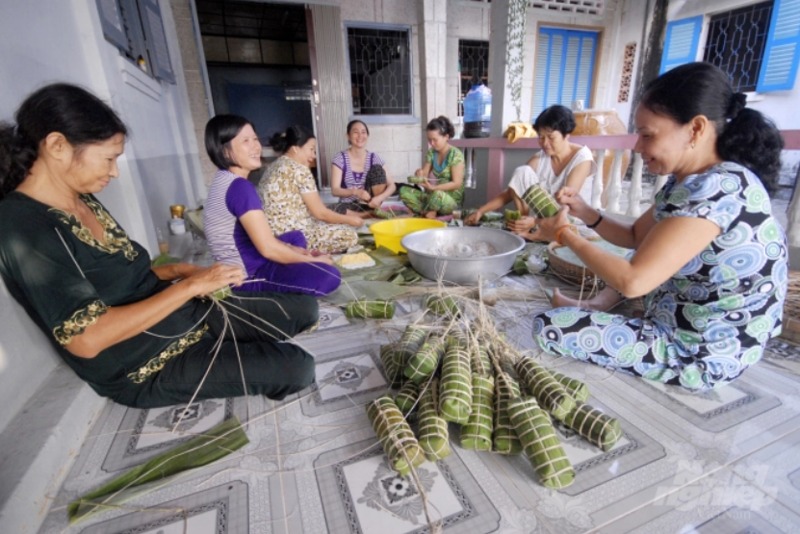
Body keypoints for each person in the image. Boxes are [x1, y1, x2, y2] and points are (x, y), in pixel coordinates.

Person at [0, 83, 317, 408]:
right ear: (57, 145)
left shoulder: (81, 199)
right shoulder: (24, 224)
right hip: (142, 360)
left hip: (178, 313)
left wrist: (184, 270)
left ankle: (231, 343)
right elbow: (86, 339)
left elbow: (123, 276)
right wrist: (190, 286)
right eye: (109, 158)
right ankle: (230, 354)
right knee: (297, 367)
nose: (114, 172)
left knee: (305, 309)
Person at [529, 62, 787, 391]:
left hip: (700, 351)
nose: (637, 147)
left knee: (549, 326)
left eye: (647, 134)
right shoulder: (689, 182)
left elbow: (634, 281)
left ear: (695, 129)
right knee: (636, 264)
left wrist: (563, 234)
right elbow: (635, 235)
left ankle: (644, 338)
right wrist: (585, 211)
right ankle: (607, 309)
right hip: (684, 319)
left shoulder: (716, 191)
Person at [203, 114, 341, 296]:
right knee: (329, 275)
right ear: (225, 151)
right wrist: (314, 262)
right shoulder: (240, 187)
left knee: (296, 238)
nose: (256, 146)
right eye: (246, 141)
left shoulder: (223, 180)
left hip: (249, 257)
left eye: (255, 139)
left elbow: (262, 239)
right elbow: (268, 249)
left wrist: (297, 252)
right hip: (246, 279)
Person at [465, 105, 596, 237]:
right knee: (522, 172)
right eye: (541, 137)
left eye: (551, 137)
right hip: (543, 221)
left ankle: (533, 229)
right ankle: (524, 226)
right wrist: (480, 212)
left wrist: (535, 221)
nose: (545, 143)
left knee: (564, 214)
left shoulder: (582, 158)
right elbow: (511, 191)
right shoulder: (541, 157)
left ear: (566, 135)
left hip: (569, 222)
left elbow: (567, 203)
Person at [258, 126, 361, 254]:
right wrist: (351, 220)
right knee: (349, 235)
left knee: (333, 218)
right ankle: (310, 253)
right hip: (296, 237)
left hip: (273, 236)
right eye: (311, 149)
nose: (313, 155)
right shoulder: (300, 170)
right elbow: (320, 213)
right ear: (295, 148)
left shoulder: (272, 167)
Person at [400, 116, 465, 218]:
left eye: (435, 140)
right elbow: (424, 174)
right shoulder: (431, 152)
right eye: (429, 140)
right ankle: (429, 211)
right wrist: (420, 174)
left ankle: (425, 212)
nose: (432, 143)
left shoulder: (456, 155)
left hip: (449, 201)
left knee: (437, 194)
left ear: (446, 137)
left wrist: (434, 188)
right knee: (403, 190)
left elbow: (456, 183)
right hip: (432, 196)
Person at [330, 119, 397, 217]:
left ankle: (374, 210)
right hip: (348, 206)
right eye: (355, 132)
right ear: (348, 136)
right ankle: (367, 215)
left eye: (363, 132)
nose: (360, 136)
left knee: (377, 170)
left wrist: (379, 199)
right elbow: (335, 190)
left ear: (367, 135)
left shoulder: (374, 157)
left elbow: (392, 185)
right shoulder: (340, 158)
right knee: (331, 209)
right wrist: (356, 192)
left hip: (370, 204)